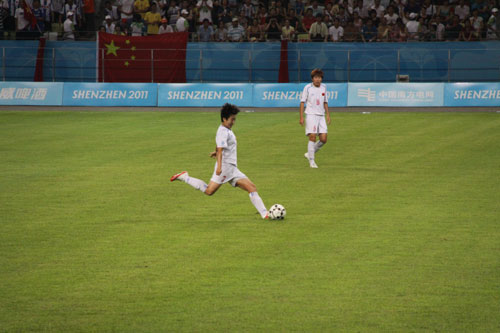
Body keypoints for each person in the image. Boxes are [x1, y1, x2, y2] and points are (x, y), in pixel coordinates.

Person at [170, 103, 269, 219]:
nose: (233, 122)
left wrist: (215, 151)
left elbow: (219, 146)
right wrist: (219, 167)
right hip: (225, 168)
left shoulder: (227, 130)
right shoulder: (223, 131)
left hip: (232, 168)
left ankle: (265, 214)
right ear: (224, 118)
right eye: (232, 119)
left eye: (234, 119)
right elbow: (221, 149)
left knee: (252, 187)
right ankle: (185, 177)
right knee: (209, 191)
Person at [299, 69, 330, 169]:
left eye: (319, 78)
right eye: (316, 77)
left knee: (324, 139)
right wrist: (301, 117)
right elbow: (302, 102)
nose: (318, 80)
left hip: (321, 116)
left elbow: (325, 102)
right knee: (312, 136)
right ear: (312, 79)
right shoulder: (307, 88)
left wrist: (328, 115)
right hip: (311, 115)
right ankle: (312, 161)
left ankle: (309, 153)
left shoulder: (324, 87)